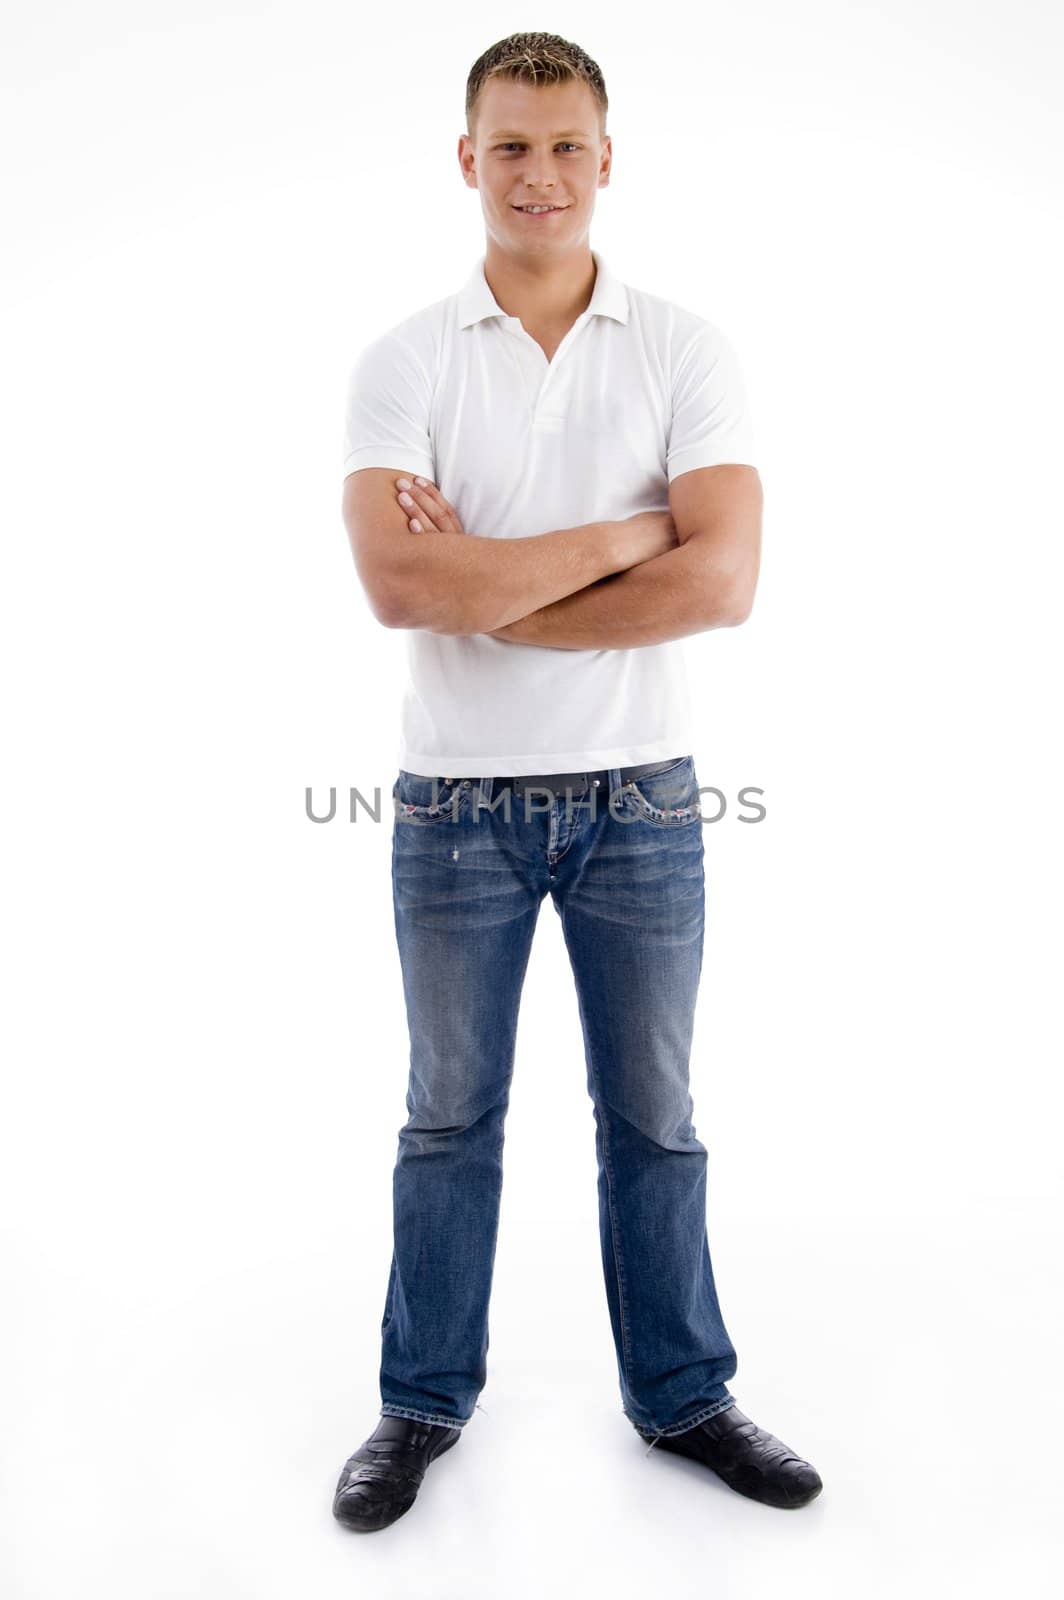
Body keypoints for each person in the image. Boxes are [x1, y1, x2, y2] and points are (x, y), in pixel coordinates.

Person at [332, 31, 822, 1534]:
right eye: (508, 146)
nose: (536, 175)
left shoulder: (684, 349)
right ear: (465, 160)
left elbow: (724, 581)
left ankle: (683, 1396)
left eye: (563, 146)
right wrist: (628, 534)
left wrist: (496, 577)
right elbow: (402, 591)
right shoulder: (407, 359)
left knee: (656, 1116)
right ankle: (420, 1402)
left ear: (607, 160)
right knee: (448, 1116)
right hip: (454, 803)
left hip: (645, 802)